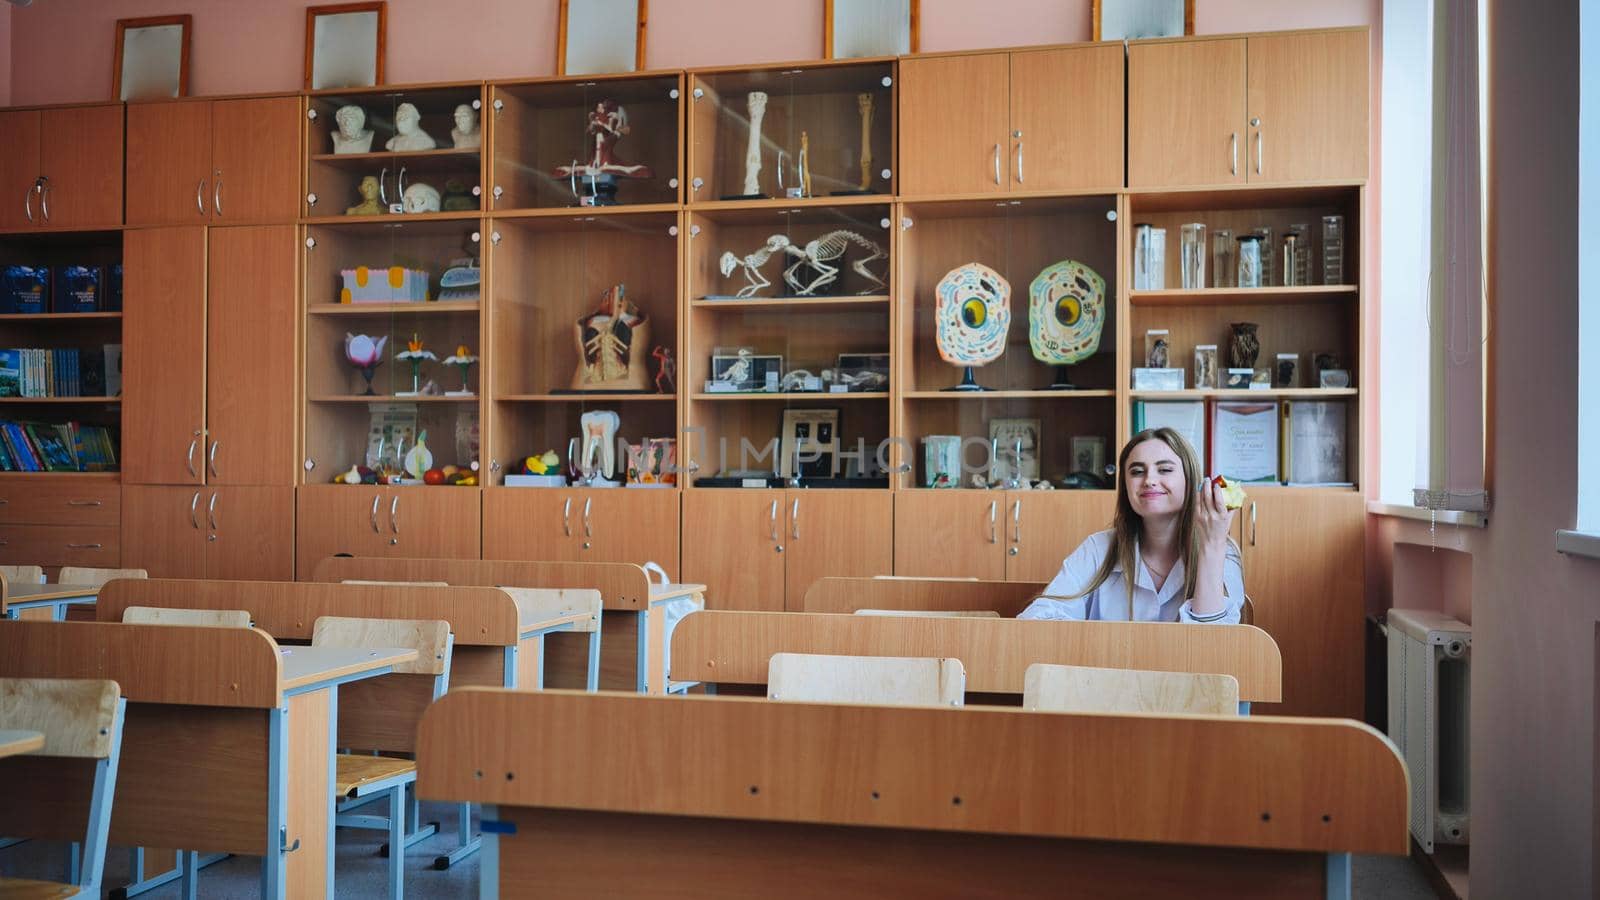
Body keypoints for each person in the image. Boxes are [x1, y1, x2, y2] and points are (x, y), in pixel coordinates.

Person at [1018, 427, 1244, 624]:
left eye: (1165, 469)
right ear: (1125, 486)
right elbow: (1037, 619)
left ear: (1191, 480)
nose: (1149, 480)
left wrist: (1212, 544)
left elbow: (1214, 645)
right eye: (1137, 471)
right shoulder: (1098, 548)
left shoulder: (1223, 552)